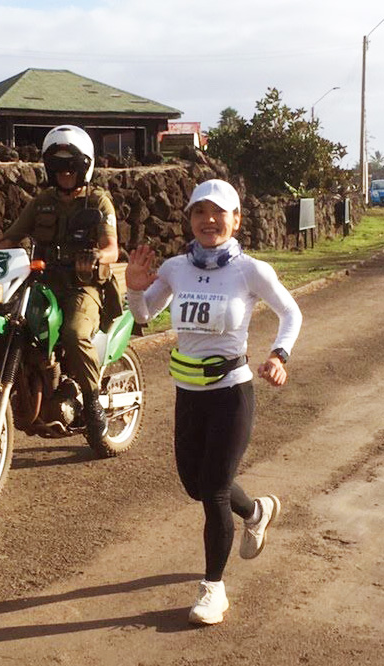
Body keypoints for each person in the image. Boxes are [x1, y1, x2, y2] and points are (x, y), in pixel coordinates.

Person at [126, 179, 302, 625]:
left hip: (231, 393)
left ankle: (213, 590)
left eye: (218, 212)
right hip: (188, 395)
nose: (209, 220)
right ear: (189, 219)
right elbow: (143, 314)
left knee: (215, 490)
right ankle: (257, 510)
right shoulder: (176, 268)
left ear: (236, 219)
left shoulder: (250, 270)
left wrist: (279, 354)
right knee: (196, 484)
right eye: (199, 212)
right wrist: (133, 286)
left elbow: (290, 312)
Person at [0, 125, 120, 444]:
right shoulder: (42, 201)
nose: (65, 173)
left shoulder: (98, 202)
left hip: (82, 287)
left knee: (73, 333)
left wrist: (97, 256)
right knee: (9, 324)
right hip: (42, 284)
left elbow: (112, 247)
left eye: (71, 166)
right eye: (58, 166)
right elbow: (10, 237)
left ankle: (93, 401)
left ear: (85, 167)